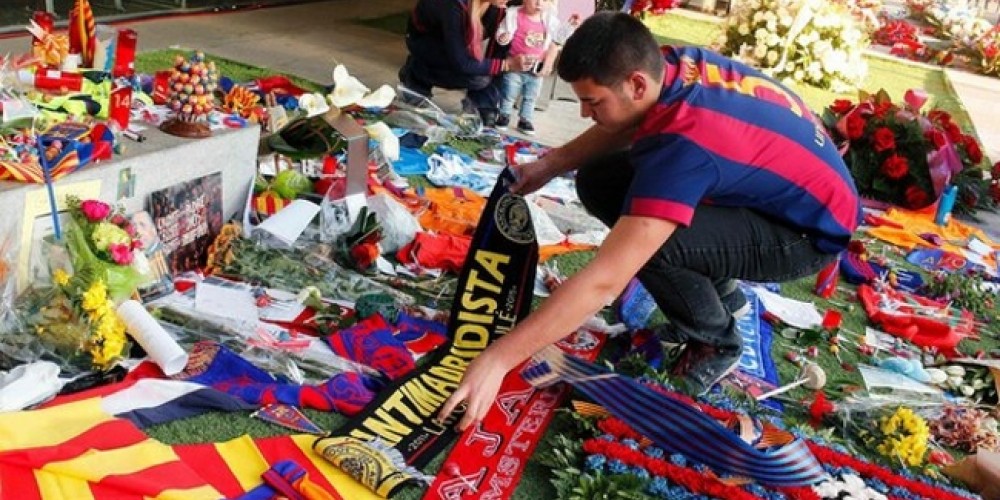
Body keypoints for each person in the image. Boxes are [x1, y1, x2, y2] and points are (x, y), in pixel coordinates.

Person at [439, 12, 861, 430]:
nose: (586, 115)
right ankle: (721, 296)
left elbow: (606, 280)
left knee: (656, 245)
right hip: (785, 198)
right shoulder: (671, 65)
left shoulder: (683, 144)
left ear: (637, 83)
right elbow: (623, 119)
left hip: (806, 235)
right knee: (601, 179)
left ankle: (716, 342)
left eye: (593, 102)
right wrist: (549, 166)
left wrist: (498, 360)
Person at [398, 0, 538, 127]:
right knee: (477, 78)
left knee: (500, 42)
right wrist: (507, 65)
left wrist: (550, 51)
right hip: (427, 41)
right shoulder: (451, 5)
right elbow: (463, 63)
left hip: (458, 37)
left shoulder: (501, 4)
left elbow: (498, 51)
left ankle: (482, 102)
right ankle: (416, 75)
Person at [494, 0, 577, 135]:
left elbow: (558, 37)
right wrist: (503, 37)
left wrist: (570, 25)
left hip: (536, 68)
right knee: (508, 92)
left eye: (544, 0)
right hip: (516, 65)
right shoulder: (514, 14)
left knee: (531, 96)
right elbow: (503, 30)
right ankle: (504, 115)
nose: (539, 3)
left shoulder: (549, 18)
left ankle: (525, 119)